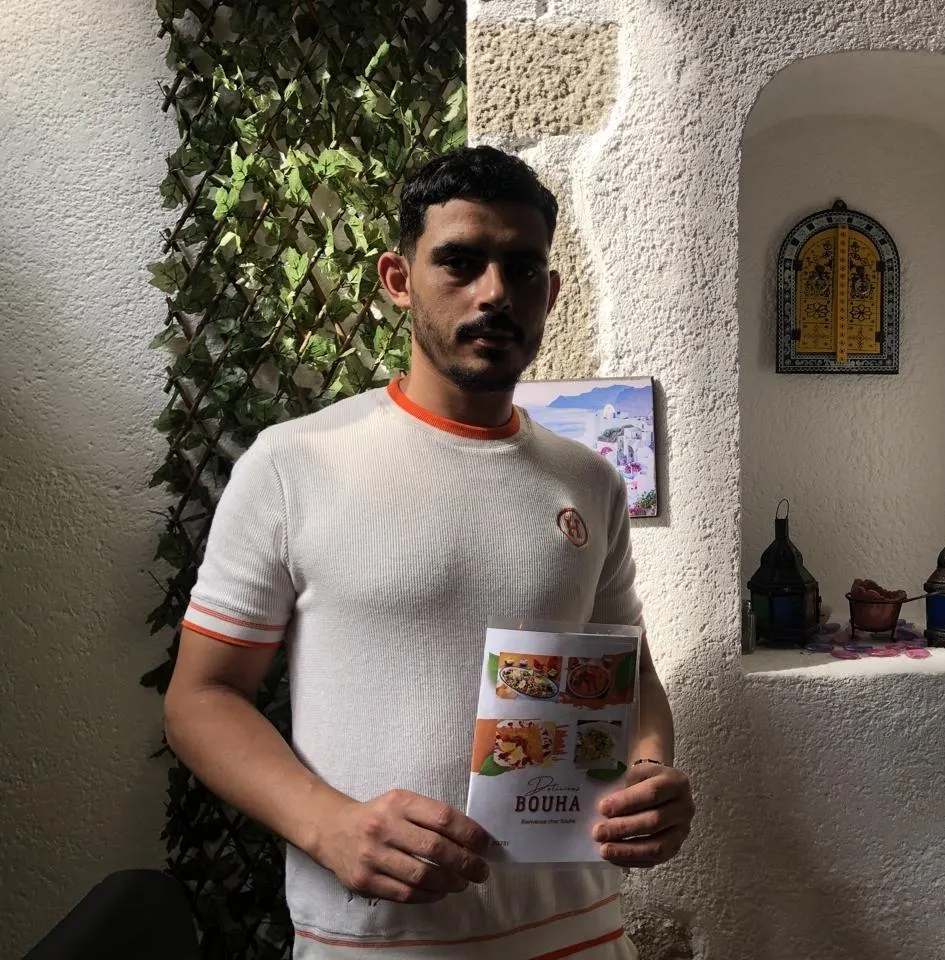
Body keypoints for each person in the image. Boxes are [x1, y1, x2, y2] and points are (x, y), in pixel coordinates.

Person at [163, 146, 695, 959]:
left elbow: (632, 675)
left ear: (550, 293)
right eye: (460, 262)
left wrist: (651, 771)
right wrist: (329, 825)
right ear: (399, 278)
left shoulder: (588, 481)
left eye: (522, 269)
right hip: (377, 944)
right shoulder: (293, 465)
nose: (494, 292)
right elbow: (199, 699)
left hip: (585, 935)